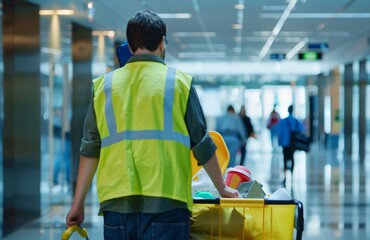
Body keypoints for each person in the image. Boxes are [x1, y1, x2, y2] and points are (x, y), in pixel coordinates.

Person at [65, 10, 239, 240]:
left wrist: (77, 204)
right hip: (167, 201)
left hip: (117, 204)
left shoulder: (104, 86)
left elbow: (89, 148)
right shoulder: (179, 83)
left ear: (130, 46)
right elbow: (202, 143)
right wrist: (222, 187)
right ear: (161, 42)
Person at [277, 105, 304, 186]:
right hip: (293, 144)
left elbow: (280, 133)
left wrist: (279, 143)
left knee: (285, 159)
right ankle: (291, 176)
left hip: (285, 144)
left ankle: (285, 177)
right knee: (292, 158)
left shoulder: (283, 121)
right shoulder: (296, 121)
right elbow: (301, 130)